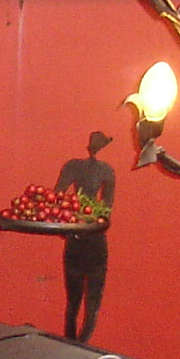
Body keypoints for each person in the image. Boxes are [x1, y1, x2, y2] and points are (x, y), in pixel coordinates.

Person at [55, 131, 115, 343]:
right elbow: (59, 195)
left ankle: (80, 340)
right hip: (82, 234)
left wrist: (84, 218)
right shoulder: (81, 167)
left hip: (91, 235)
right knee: (76, 300)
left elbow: (107, 206)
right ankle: (74, 341)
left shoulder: (105, 170)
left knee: (89, 300)